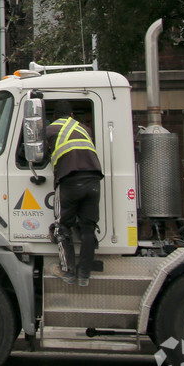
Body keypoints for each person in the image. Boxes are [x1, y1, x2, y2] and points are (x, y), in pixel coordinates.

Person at [46, 101, 104, 286]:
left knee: (62, 228)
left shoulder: (50, 129)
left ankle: (68, 272)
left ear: (55, 117)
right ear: (72, 116)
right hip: (93, 180)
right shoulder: (84, 128)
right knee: (88, 228)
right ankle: (84, 275)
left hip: (69, 179)